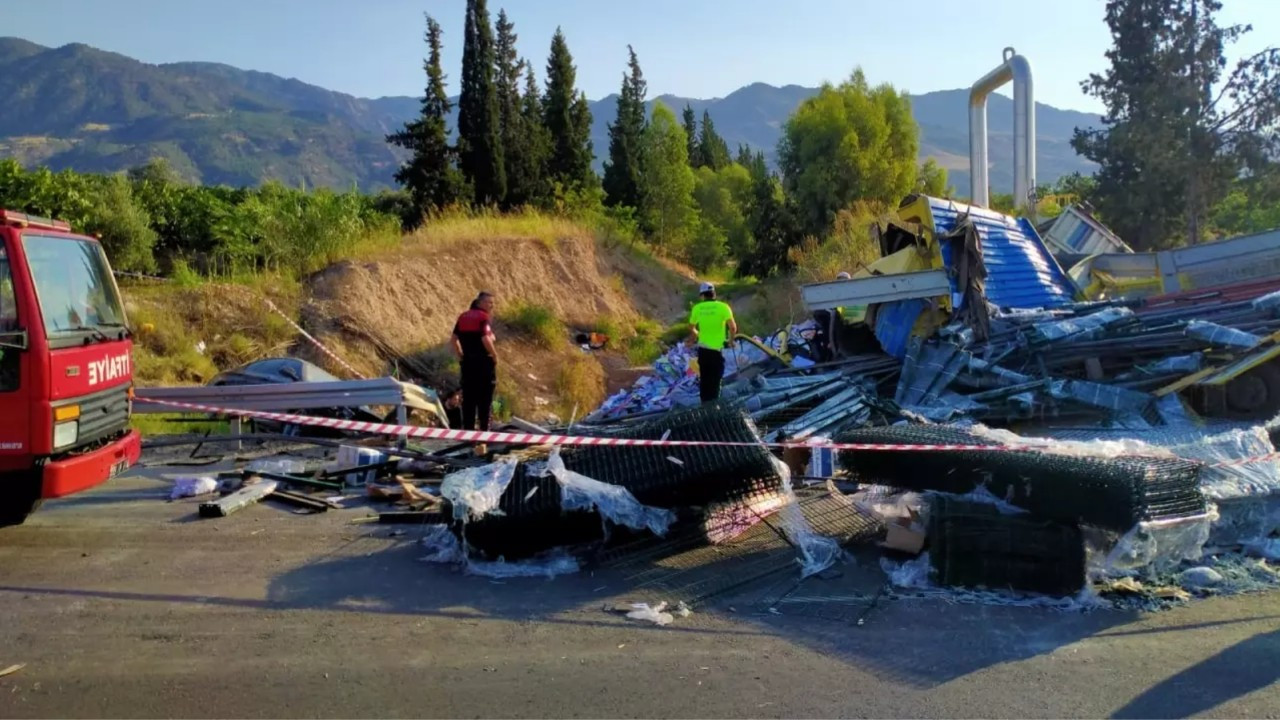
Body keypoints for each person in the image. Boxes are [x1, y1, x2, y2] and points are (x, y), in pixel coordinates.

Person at [450, 292, 498, 432]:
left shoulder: (463, 317)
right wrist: (494, 355)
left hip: (468, 364)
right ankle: (484, 434)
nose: (492, 305)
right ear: (480, 303)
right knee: (485, 400)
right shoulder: (483, 317)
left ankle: (468, 433)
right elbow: (485, 339)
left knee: (469, 400)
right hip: (484, 364)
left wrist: (460, 355)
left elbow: (453, 339)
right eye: (489, 302)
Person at [686, 282, 737, 403]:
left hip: (703, 351)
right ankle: (714, 407)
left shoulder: (697, 308)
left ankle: (705, 406)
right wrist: (731, 341)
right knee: (715, 381)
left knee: (704, 380)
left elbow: (691, 327)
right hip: (717, 352)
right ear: (714, 293)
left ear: (702, 295)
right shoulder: (723, 307)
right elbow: (733, 328)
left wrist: (695, 337)